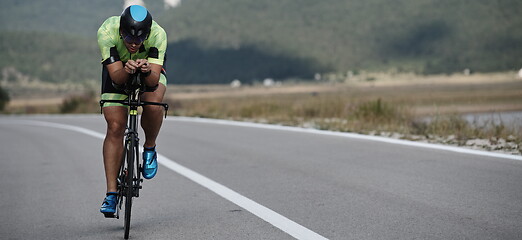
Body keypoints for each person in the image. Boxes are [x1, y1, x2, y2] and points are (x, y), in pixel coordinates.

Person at [97, 5, 168, 216]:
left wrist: (146, 71)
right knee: (115, 126)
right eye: (128, 38)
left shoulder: (158, 34)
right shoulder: (107, 31)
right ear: (121, 31)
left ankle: (149, 147)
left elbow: (154, 80)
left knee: (154, 104)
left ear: (147, 33)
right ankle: (111, 193)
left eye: (139, 39)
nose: (134, 44)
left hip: (150, 70)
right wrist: (126, 69)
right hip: (117, 70)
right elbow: (117, 78)